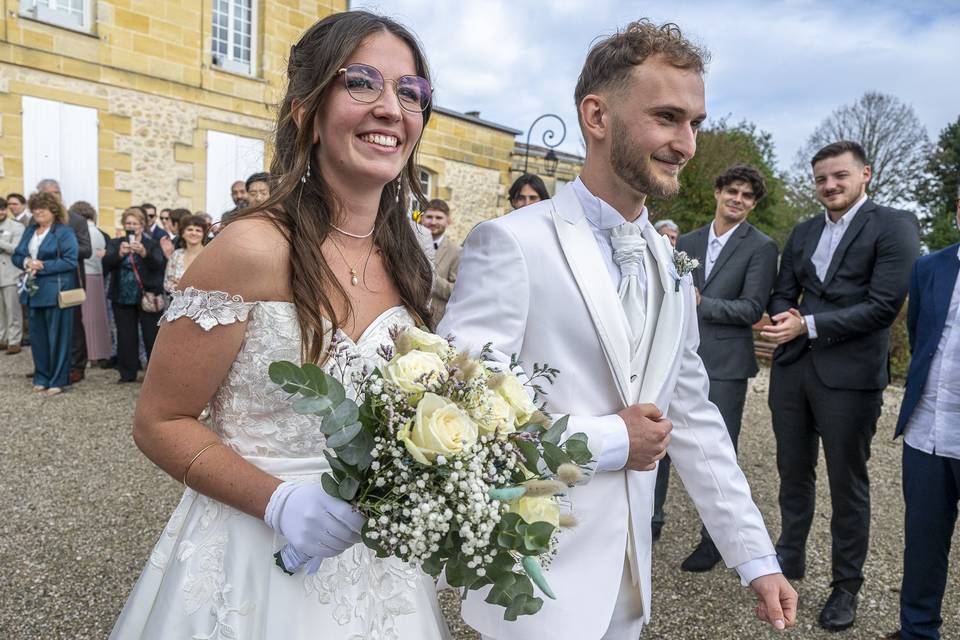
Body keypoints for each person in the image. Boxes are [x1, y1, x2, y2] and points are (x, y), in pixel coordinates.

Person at [439, 20, 795, 640]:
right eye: (666, 117)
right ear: (597, 116)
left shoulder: (669, 263)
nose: (686, 143)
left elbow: (693, 414)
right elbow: (463, 418)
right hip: (535, 582)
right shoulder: (514, 243)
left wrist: (755, 558)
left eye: (695, 123)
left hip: (630, 588)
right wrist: (610, 441)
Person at [110, 12, 450, 639]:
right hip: (252, 559)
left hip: (378, 570)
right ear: (305, 111)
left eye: (410, 93)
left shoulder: (411, 262)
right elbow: (159, 420)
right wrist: (280, 501)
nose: (390, 107)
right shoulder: (251, 249)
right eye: (362, 83)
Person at [761, 140, 920, 631]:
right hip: (793, 370)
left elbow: (883, 304)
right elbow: (785, 286)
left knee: (847, 484)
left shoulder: (894, 226)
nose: (829, 186)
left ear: (865, 174)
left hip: (850, 377)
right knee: (792, 471)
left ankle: (845, 586)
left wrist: (805, 324)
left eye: (839, 176)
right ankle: (790, 557)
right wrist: (784, 314)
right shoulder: (805, 230)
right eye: (821, 179)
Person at [654, 164, 779, 567]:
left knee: (717, 451)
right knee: (660, 444)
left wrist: (703, 303)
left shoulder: (761, 247)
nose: (737, 200)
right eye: (732, 191)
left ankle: (713, 543)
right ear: (717, 192)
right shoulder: (687, 240)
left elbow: (751, 308)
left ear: (753, 204)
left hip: (726, 363)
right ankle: (649, 520)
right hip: (675, 357)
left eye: (746, 195)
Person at [881, 194, 960, 640]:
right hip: (927, 433)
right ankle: (917, 630)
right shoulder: (930, 268)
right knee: (924, 544)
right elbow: (919, 338)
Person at [12, 192, 78, 395]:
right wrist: (26, 262)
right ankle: (42, 376)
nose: (38, 211)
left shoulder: (64, 232)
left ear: (53, 211)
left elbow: (70, 260)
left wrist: (43, 265)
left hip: (56, 292)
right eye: (35, 207)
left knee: (58, 338)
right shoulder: (30, 230)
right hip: (33, 293)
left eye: (43, 207)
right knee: (38, 339)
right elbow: (17, 255)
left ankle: (58, 379)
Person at [102, 207, 166, 384]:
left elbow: (159, 264)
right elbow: (106, 264)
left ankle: (154, 374)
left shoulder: (151, 243)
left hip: (146, 294)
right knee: (125, 335)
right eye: (128, 223)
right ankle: (128, 372)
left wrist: (144, 253)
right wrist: (119, 254)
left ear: (142, 225)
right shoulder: (116, 243)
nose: (131, 226)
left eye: (135, 223)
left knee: (151, 335)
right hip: (122, 296)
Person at [36, 178, 92, 384]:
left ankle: (77, 367)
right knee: (45, 325)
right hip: (43, 282)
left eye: (57, 193)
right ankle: (50, 367)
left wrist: (63, 247)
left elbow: (87, 250)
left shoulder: (76, 220)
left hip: (69, 281)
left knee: (73, 326)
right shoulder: (36, 222)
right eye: (49, 194)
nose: (54, 197)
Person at [69, 201, 113, 364]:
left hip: (85, 275)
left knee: (85, 318)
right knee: (97, 317)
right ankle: (99, 352)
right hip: (97, 275)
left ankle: (87, 354)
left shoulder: (84, 231)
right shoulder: (99, 232)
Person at [421, 198, 461, 326]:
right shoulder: (410, 244)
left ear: (448, 221)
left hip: (436, 321)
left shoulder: (456, 252)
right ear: (422, 218)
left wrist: (431, 277)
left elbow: (457, 291)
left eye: (438, 218)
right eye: (429, 217)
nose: (433, 222)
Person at [0, 198, 24, 354]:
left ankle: (15, 341)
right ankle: (2, 339)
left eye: (3, 209)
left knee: (13, 309)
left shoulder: (16, 226)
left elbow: (16, 248)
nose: (1, 212)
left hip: (10, 274)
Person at [163, 214, 208, 294]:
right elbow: (167, 283)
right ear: (183, 233)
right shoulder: (176, 255)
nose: (194, 233)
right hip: (178, 304)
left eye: (198, 230)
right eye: (190, 229)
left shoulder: (209, 255)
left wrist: (185, 285)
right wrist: (177, 287)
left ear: (203, 234)